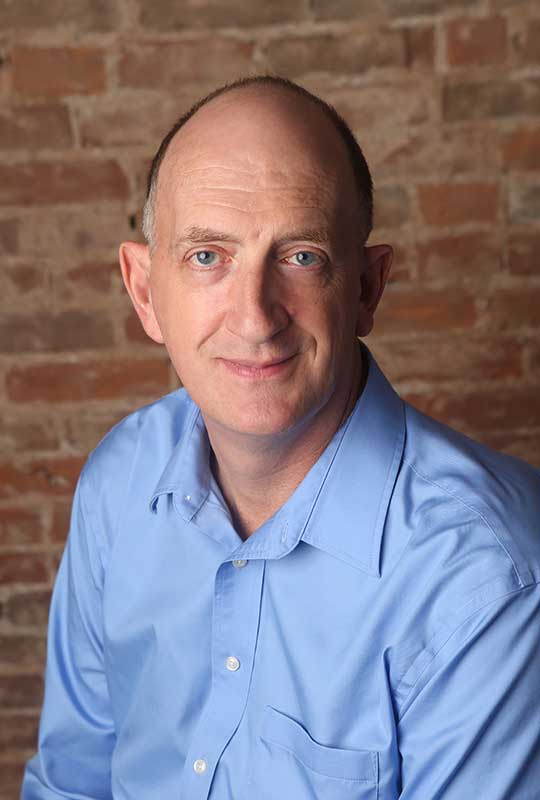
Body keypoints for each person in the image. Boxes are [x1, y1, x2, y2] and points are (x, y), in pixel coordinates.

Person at [22, 75, 540, 799]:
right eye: (208, 256)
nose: (255, 318)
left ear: (365, 288)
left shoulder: (488, 573)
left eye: (301, 256)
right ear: (144, 292)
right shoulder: (119, 484)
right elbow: (72, 782)